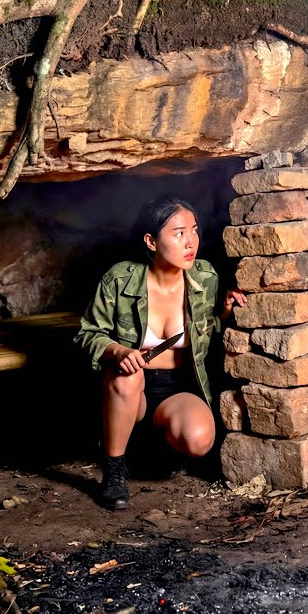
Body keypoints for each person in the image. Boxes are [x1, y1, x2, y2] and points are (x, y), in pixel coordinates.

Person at [73, 197, 246, 510]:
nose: (190, 241)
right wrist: (118, 350)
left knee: (198, 440)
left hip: (176, 387)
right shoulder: (120, 279)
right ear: (151, 241)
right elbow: (86, 334)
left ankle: (148, 448)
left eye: (193, 231)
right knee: (128, 376)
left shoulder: (205, 278)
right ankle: (114, 470)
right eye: (179, 233)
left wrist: (224, 309)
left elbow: (208, 332)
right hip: (130, 390)